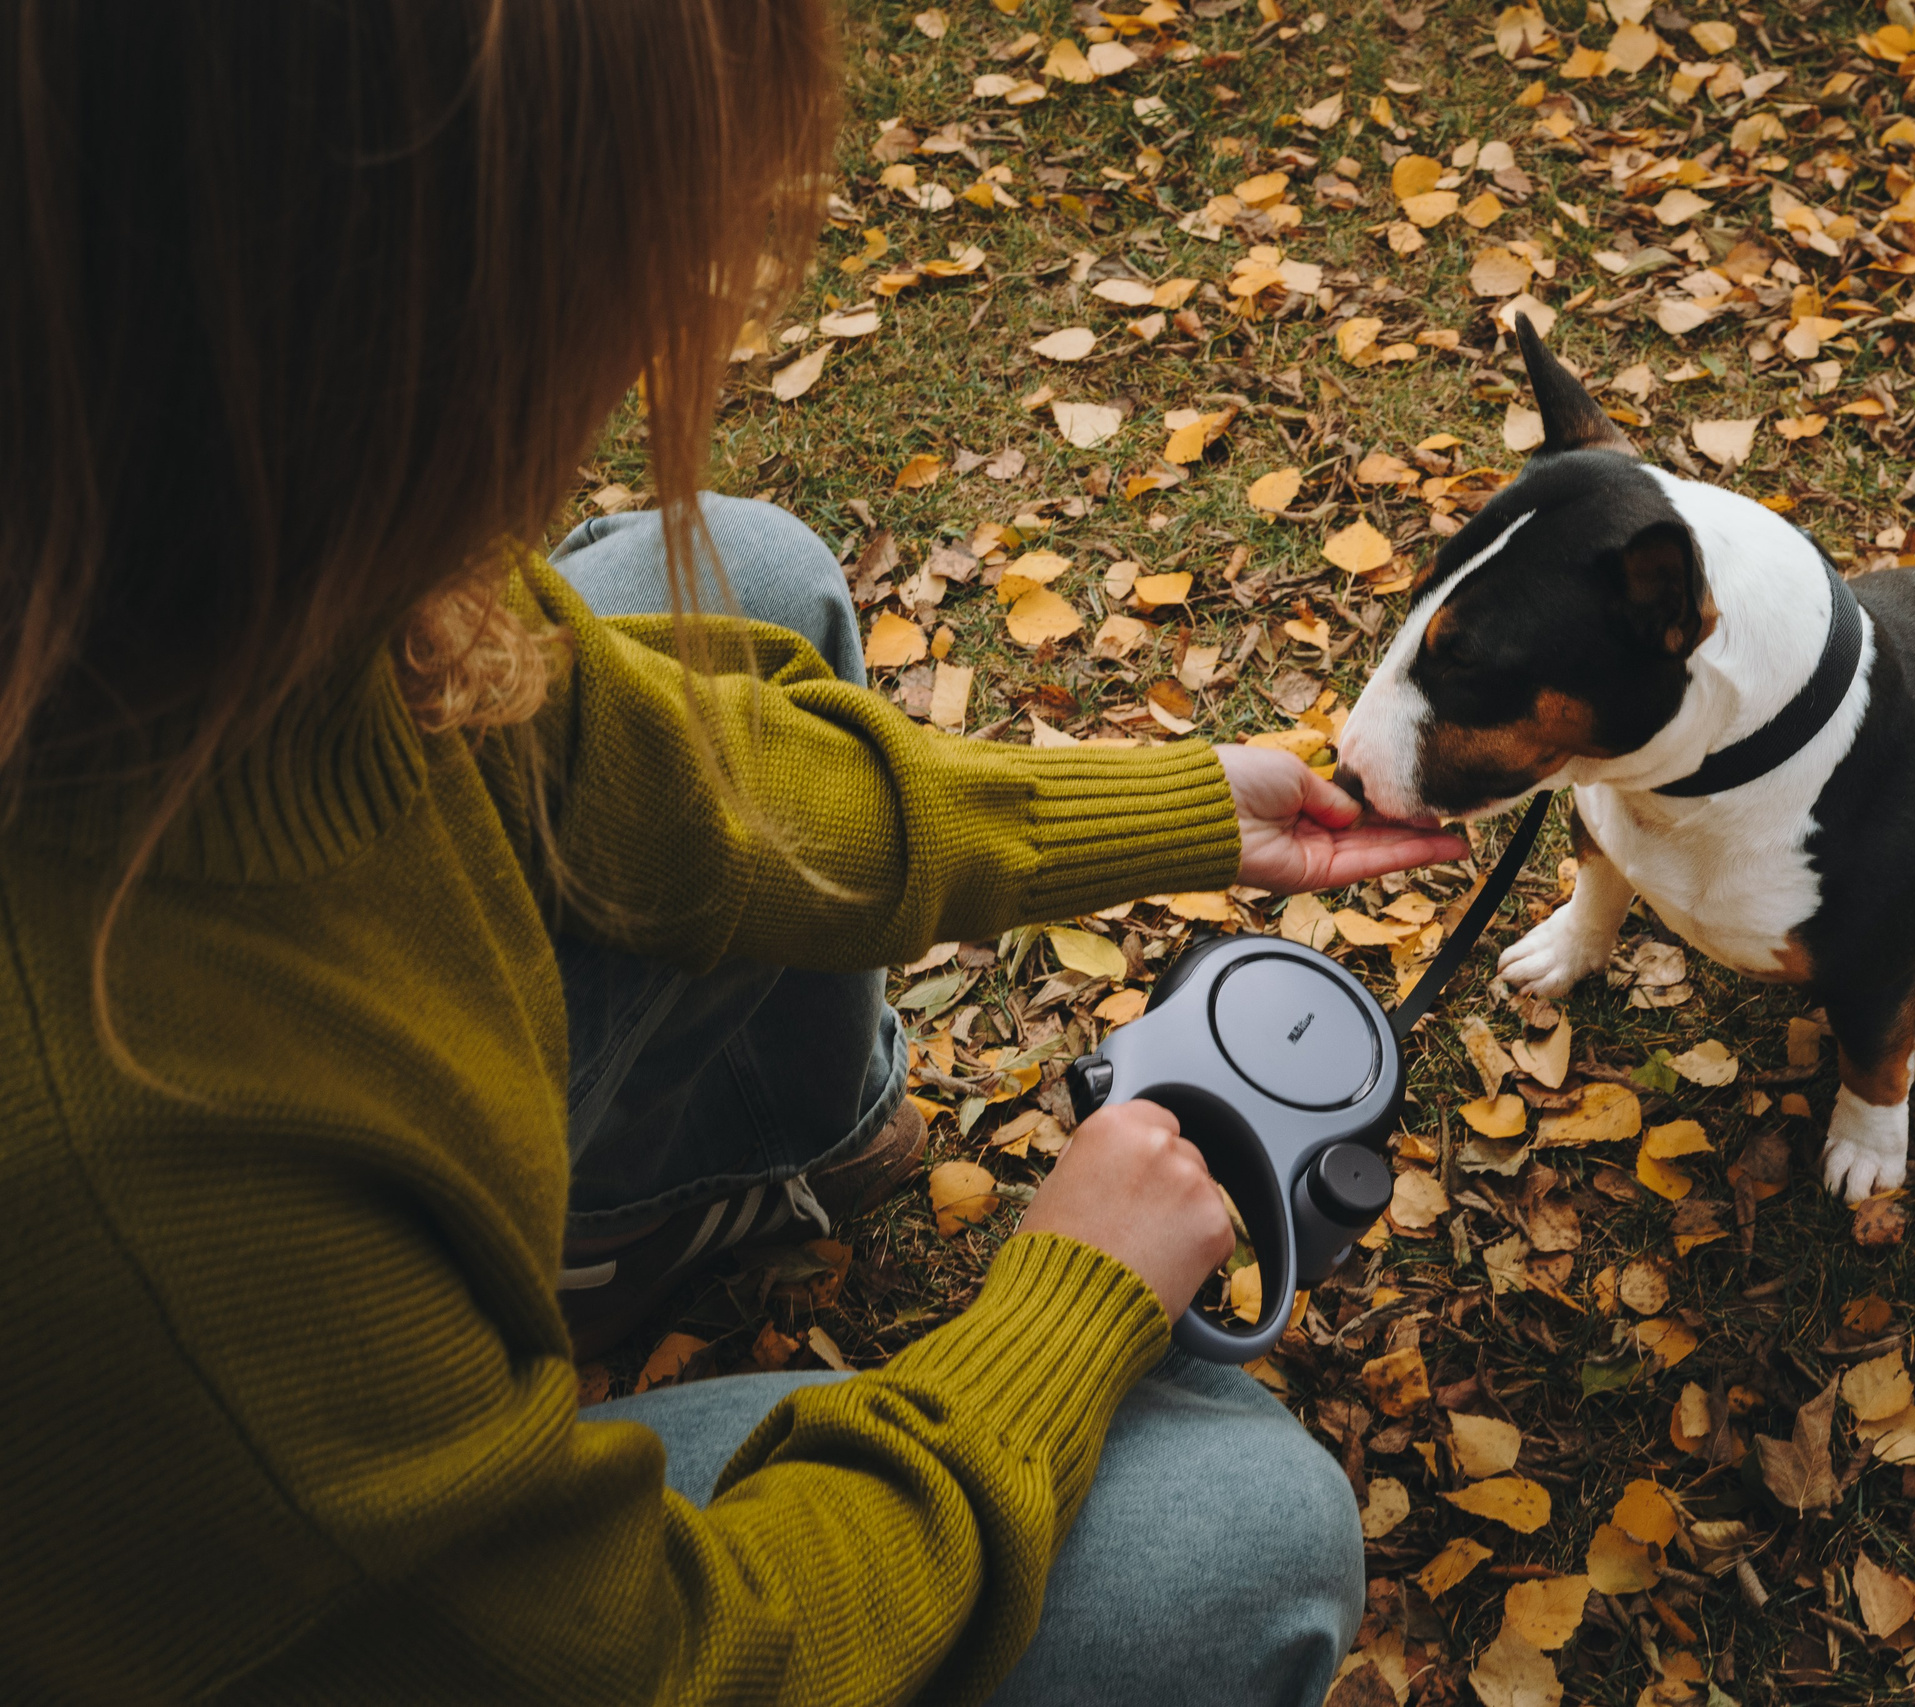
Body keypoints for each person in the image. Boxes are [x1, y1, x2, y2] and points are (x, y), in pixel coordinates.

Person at [0, 5, 1465, 1704]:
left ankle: (685, 1204)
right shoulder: (154, 1185)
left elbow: (671, 777)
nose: (643, 352)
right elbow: (682, 1665)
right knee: (1244, 1535)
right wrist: (1059, 1312)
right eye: (612, 271)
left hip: (322, 1322)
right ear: (369, 324)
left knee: (742, 585)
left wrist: (1179, 809)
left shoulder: (226, 533)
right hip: (371, 1597)